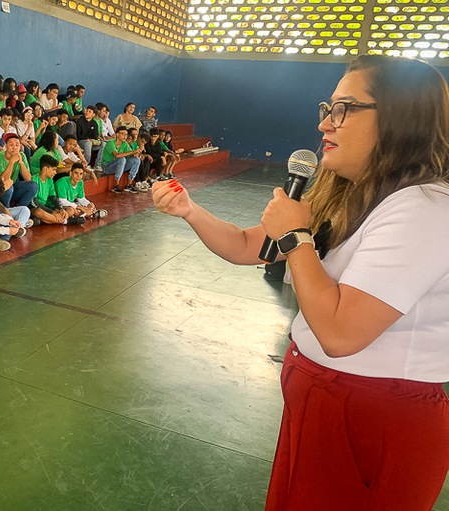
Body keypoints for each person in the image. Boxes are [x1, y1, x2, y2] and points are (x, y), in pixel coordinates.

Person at [154, 55, 449, 511]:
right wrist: (190, 211)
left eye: (344, 109)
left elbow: (340, 333)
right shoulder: (348, 192)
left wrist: (296, 237)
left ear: (399, 116)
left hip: (373, 414)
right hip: (319, 396)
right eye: (327, 108)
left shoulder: (426, 208)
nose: (326, 125)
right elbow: (244, 245)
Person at [30, 155, 84, 226]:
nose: (55, 172)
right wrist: (53, 212)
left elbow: (53, 197)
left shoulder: (50, 180)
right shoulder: (34, 180)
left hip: (47, 207)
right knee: (38, 212)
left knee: (68, 210)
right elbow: (34, 202)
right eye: (54, 169)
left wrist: (60, 209)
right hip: (36, 208)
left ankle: (49, 220)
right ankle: (66, 221)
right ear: (45, 169)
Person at [0, 133, 37, 209]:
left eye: (17, 145)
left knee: (33, 186)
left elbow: (28, 178)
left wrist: (21, 163)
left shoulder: (22, 155)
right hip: (0, 188)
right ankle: (7, 211)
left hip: (14, 186)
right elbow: (2, 180)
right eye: (11, 145)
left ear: (20, 147)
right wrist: (11, 162)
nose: (14, 148)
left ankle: (20, 209)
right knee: (8, 187)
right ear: (6, 146)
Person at [102, 126, 141, 194]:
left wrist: (137, 153)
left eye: (126, 134)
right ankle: (116, 185)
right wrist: (133, 152)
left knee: (136, 160)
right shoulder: (111, 142)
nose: (125, 136)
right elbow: (116, 155)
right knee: (122, 159)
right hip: (107, 167)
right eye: (122, 134)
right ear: (117, 134)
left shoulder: (124, 143)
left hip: (119, 166)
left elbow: (131, 154)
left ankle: (129, 184)